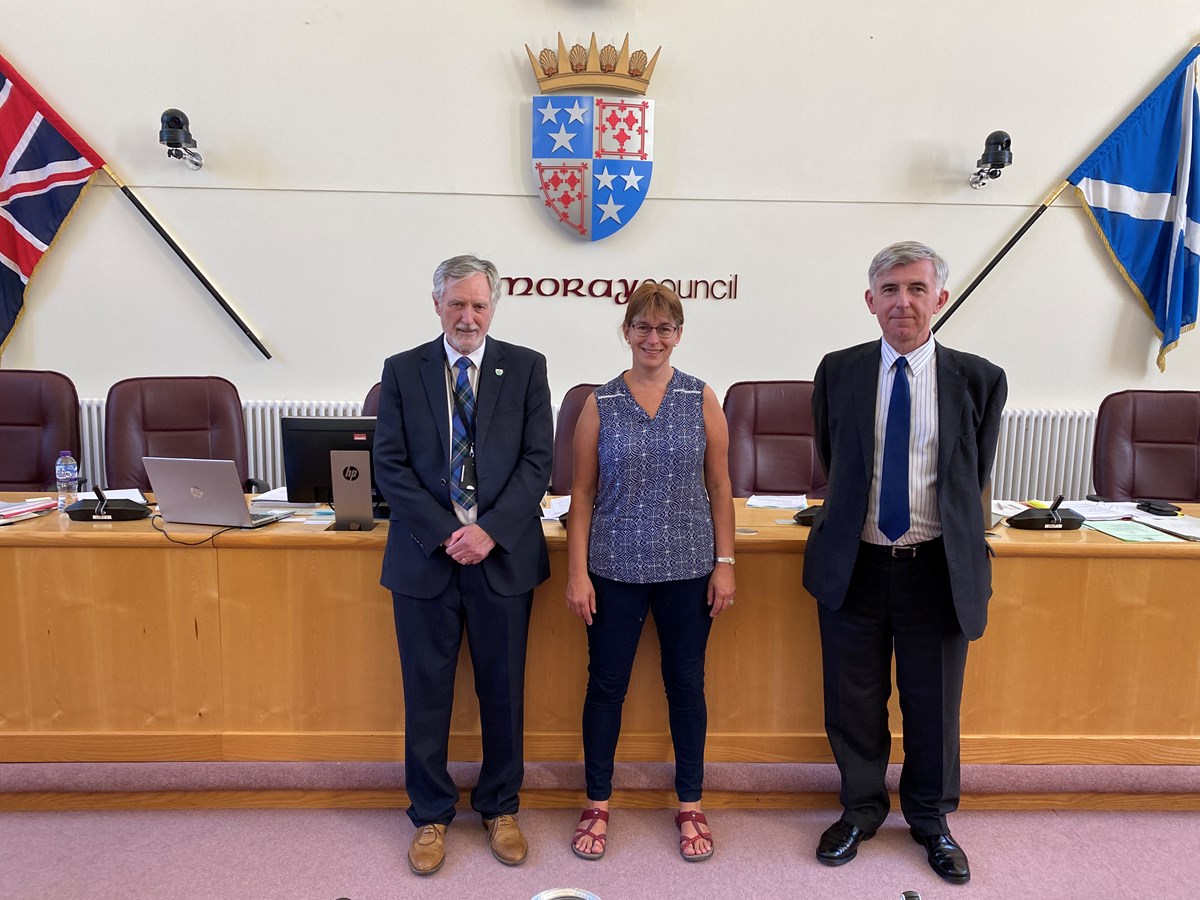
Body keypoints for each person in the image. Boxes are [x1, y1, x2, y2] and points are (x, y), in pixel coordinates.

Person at [802, 241, 1007, 885]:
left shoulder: (978, 378)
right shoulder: (839, 371)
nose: (903, 302)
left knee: (933, 702)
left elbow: (974, 473)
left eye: (917, 289)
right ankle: (860, 810)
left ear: (939, 299)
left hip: (935, 568)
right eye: (889, 290)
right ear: (870, 302)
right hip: (855, 564)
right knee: (853, 698)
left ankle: (930, 820)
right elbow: (836, 459)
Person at [373, 254, 553, 876]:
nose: (468, 316)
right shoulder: (402, 371)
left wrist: (489, 534)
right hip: (426, 558)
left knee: (503, 692)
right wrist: (453, 533)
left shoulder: (527, 368)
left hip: (502, 560)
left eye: (479, 304)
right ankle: (429, 815)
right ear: (437, 305)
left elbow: (538, 464)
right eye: (457, 304)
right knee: (426, 696)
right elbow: (389, 467)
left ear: (493, 307)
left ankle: (501, 807)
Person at [565, 281, 736, 862]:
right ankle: (597, 802)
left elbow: (720, 486)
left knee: (686, 686)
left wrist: (726, 563)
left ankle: (690, 802)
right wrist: (577, 574)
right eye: (643, 327)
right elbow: (581, 493)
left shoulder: (701, 397)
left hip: (689, 568)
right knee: (606, 686)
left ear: (679, 334)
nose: (653, 337)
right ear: (627, 333)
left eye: (665, 328)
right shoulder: (601, 402)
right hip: (612, 568)